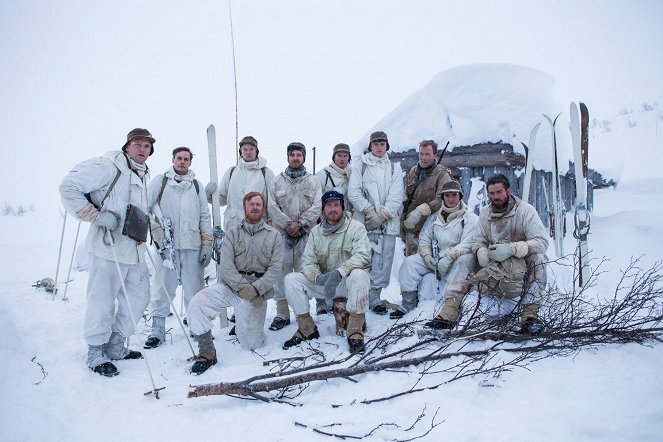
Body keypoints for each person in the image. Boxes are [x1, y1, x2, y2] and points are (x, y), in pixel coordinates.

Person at [59, 128, 155, 377]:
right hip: (107, 247)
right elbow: (69, 186)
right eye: (137, 144)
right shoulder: (108, 166)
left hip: (133, 248)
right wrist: (96, 216)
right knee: (102, 300)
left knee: (140, 296)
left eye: (147, 145)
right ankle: (95, 350)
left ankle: (116, 344)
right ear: (127, 146)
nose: (142, 149)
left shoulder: (143, 174)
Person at [426, 174, 549, 334]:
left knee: (538, 260)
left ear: (508, 191)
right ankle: (448, 313)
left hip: (519, 264)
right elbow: (478, 239)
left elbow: (542, 242)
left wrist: (512, 249)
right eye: (491, 193)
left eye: (499, 192)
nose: (495, 197)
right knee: (464, 260)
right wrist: (481, 251)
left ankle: (530, 318)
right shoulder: (485, 212)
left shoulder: (526, 211)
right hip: (493, 264)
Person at [186, 192, 284, 374]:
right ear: (244, 207)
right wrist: (242, 287)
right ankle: (207, 352)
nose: (255, 207)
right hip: (232, 286)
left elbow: (275, 269)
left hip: (257, 291)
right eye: (251, 204)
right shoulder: (232, 233)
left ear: (263, 208)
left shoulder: (274, 236)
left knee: (252, 345)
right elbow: (226, 266)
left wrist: (256, 289)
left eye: (258, 205)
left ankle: (242, 325)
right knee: (197, 304)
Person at [282, 191, 371, 353]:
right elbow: (307, 261)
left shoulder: (356, 227)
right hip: (324, 284)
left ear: (343, 208)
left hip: (346, 282)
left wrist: (339, 273)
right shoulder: (316, 232)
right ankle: (307, 328)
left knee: (360, 275)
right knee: (291, 279)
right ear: (323, 210)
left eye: (336, 205)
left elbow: (363, 255)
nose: (333, 209)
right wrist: (318, 278)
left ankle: (355, 330)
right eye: (328, 205)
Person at [144, 146, 213, 349]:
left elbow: (204, 215)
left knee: (195, 290)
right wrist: (156, 230)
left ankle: (197, 328)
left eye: (186, 159)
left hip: (192, 245)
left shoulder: (197, 186)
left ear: (190, 162)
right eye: (179, 158)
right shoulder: (161, 181)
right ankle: (157, 331)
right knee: (162, 288)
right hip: (167, 247)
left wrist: (207, 242)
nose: (182, 162)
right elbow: (146, 206)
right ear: (173, 160)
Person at [390, 180, 477, 319]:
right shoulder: (434, 217)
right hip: (436, 259)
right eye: (447, 195)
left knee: (464, 262)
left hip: (455, 260)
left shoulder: (470, 218)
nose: (451, 199)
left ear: (460, 196)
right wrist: (426, 256)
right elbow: (425, 238)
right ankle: (408, 304)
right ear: (442, 197)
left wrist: (450, 256)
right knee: (410, 263)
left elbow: (468, 242)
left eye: (454, 195)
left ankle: (451, 307)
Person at [267, 142, 322, 330]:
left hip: (305, 236)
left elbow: (317, 206)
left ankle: (302, 313)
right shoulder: (277, 181)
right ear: (288, 157)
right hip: (282, 236)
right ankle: (282, 314)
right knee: (280, 275)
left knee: (303, 275)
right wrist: (287, 224)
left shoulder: (313, 181)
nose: (295, 158)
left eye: (299, 154)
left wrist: (301, 223)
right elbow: (271, 206)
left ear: (304, 158)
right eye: (292, 155)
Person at [347, 131, 404, 315]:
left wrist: (384, 214)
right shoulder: (360, 166)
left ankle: (375, 296)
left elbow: (396, 194)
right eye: (376, 144)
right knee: (364, 258)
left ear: (387, 146)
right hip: (365, 221)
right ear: (370, 146)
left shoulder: (395, 168)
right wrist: (369, 211)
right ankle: (360, 294)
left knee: (383, 261)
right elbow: (353, 191)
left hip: (387, 223)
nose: (379, 147)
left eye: (382, 144)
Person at [313, 142, 353, 315]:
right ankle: (321, 302)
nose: (342, 159)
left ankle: (341, 298)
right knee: (323, 262)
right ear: (334, 157)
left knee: (342, 262)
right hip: (326, 224)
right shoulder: (324, 175)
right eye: (339, 155)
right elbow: (315, 198)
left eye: (345, 156)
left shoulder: (352, 175)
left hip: (346, 224)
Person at [205, 135, 274, 231]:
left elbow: (272, 202)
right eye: (245, 149)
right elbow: (222, 199)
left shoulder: (266, 173)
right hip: (233, 226)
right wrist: (209, 196)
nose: (248, 152)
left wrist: (270, 223)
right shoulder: (231, 172)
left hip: (258, 226)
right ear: (241, 152)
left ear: (256, 152)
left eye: (251, 149)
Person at [401, 140, 452, 256]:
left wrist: (423, 209)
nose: (423, 158)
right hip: (412, 228)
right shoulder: (413, 172)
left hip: (430, 230)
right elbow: (406, 199)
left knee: (428, 264)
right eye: (421, 154)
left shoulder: (442, 175)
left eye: (427, 154)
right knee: (411, 264)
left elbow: (443, 199)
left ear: (435, 155)